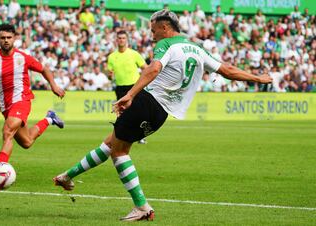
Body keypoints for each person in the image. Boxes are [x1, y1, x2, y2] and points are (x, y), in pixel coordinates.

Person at [53, 10, 272, 221]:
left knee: (119, 152)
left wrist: (130, 94)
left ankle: (142, 207)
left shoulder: (166, 44)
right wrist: (258, 78)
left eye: (153, 29)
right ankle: (67, 176)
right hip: (162, 113)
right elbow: (228, 71)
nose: (152, 34)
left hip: (148, 102)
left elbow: (153, 69)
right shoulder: (196, 48)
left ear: (164, 27)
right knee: (111, 143)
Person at [0, 24, 65, 165]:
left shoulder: (23, 57)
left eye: (9, 37)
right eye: (3, 38)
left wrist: (54, 85)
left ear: (15, 38)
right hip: (5, 106)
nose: (6, 40)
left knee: (7, 132)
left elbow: (44, 69)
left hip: (21, 100)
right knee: (27, 142)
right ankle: (49, 119)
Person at [107, 30, 148, 144]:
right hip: (120, 87)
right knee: (121, 113)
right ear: (116, 40)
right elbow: (110, 76)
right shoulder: (111, 57)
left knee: (138, 111)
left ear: (127, 40)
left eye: (123, 38)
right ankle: (119, 136)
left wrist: (143, 82)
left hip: (134, 87)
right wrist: (110, 76)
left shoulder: (133, 54)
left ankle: (140, 136)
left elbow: (146, 68)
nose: (121, 40)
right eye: (119, 38)